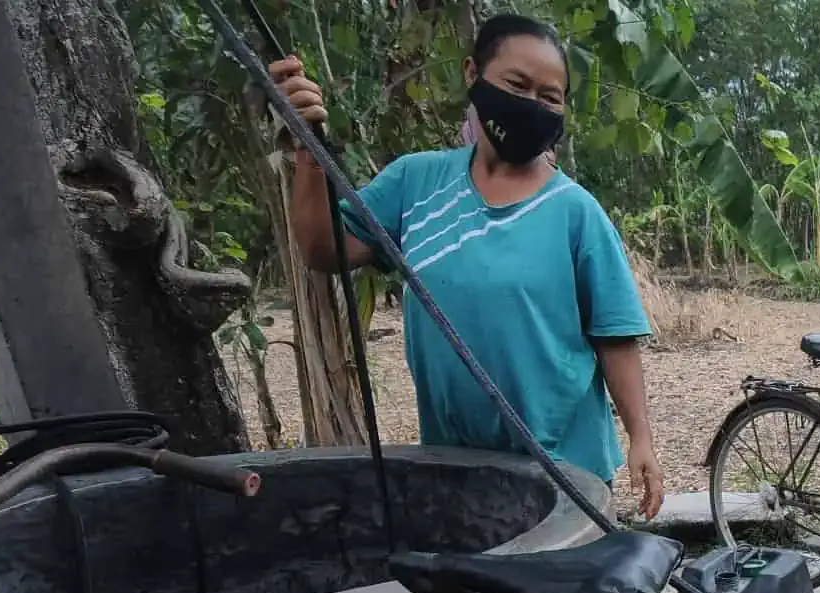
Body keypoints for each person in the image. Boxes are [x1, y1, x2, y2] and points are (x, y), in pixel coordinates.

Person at [269, 13, 663, 519]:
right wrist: (307, 149)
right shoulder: (415, 184)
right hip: (457, 471)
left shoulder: (575, 211)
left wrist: (642, 440)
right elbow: (323, 249)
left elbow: (615, 337)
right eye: (516, 85)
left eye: (550, 97)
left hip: (566, 472)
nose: (531, 105)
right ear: (473, 74)